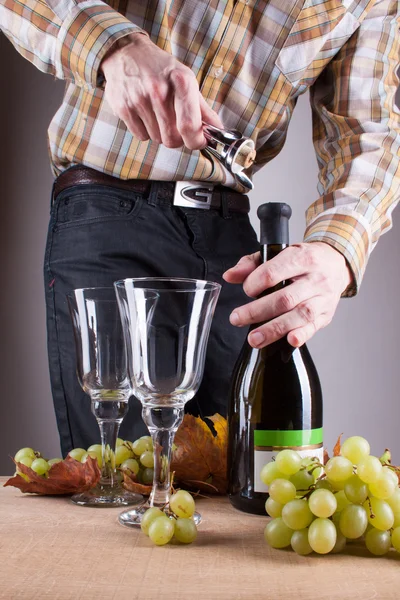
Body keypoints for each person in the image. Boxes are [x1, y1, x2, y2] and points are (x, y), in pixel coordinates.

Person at [1, 0, 399, 456]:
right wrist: (114, 47)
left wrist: (338, 249)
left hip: (229, 238)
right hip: (109, 209)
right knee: (127, 484)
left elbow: (368, 131)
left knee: (253, 480)